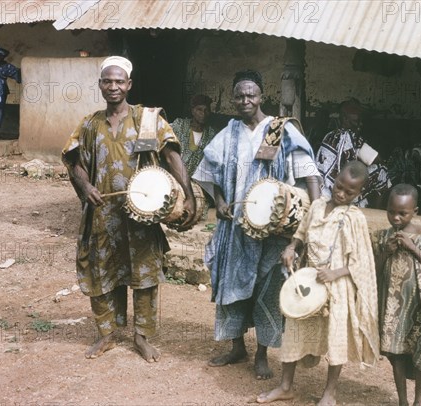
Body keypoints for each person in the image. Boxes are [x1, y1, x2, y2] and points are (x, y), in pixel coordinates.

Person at [61, 56, 197, 362]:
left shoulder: (147, 119)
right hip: (102, 217)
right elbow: (75, 163)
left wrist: (187, 194)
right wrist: (85, 188)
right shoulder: (89, 124)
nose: (113, 87)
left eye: (119, 81)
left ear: (129, 85)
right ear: (100, 85)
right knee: (101, 273)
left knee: (145, 275)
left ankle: (141, 337)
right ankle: (107, 334)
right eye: (107, 81)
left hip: (141, 219)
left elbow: (173, 155)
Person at [193, 69, 321, 380]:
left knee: (267, 291)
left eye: (251, 94)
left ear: (262, 96)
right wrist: (220, 202)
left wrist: (315, 215)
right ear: (233, 98)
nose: (245, 100)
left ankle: (262, 354)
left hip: (273, 232)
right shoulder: (230, 131)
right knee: (230, 288)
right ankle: (237, 346)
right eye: (239, 95)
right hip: (235, 230)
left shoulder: (281, 130)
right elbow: (210, 170)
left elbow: (309, 173)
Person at [257, 161, 380, 406]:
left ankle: (329, 394)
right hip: (307, 283)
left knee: (335, 341)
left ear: (359, 194)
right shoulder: (317, 206)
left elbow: (363, 263)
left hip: (337, 288)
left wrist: (335, 273)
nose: (342, 193)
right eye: (339, 186)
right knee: (293, 332)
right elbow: (301, 235)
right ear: (334, 179)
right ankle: (285, 387)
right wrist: (292, 247)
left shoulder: (355, 218)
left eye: (350, 192)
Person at [373, 184, 421, 406]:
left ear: (414, 212)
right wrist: (386, 252)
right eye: (391, 212)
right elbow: (373, 271)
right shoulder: (383, 237)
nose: (396, 218)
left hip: (419, 308)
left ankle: (418, 401)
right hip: (392, 310)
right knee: (396, 353)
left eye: (402, 213)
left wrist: (412, 248)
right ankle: (402, 401)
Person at [316, 99, 391, 208]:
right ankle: (376, 212)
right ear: (345, 119)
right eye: (357, 121)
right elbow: (376, 158)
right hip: (338, 190)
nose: (360, 124)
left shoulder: (330, 135)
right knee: (382, 170)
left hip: (321, 186)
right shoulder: (351, 137)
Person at [170, 94, 217, 176]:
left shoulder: (211, 134)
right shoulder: (179, 125)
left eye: (206, 110)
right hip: (174, 174)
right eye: (199, 109)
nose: (203, 113)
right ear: (192, 111)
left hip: (195, 180)